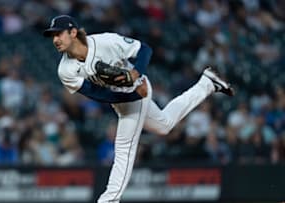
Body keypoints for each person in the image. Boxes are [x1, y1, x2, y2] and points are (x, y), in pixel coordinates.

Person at [43, 15, 234, 203]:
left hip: (136, 85)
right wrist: (134, 96)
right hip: (125, 97)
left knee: (124, 146)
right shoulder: (65, 69)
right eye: (52, 36)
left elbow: (144, 49)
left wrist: (136, 74)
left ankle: (109, 200)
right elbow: (97, 94)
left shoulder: (106, 41)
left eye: (59, 34)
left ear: (73, 32)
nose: (55, 39)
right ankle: (207, 84)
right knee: (164, 125)